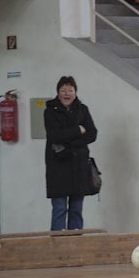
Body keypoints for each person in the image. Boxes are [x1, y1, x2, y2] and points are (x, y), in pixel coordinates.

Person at [44, 76, 97, 231]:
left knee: (76, 209)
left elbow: (92, 134)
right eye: (63, 90)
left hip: (79, 166)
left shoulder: (83, 109)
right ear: (58, 92)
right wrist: (77, 130)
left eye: (70, 90)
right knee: (59, 208)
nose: (67, 93)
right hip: (58, 165)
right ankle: (58, 242)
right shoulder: (50, 111)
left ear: (75, 92)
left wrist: (70, 143)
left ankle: (76, 241)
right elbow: (54, 136)